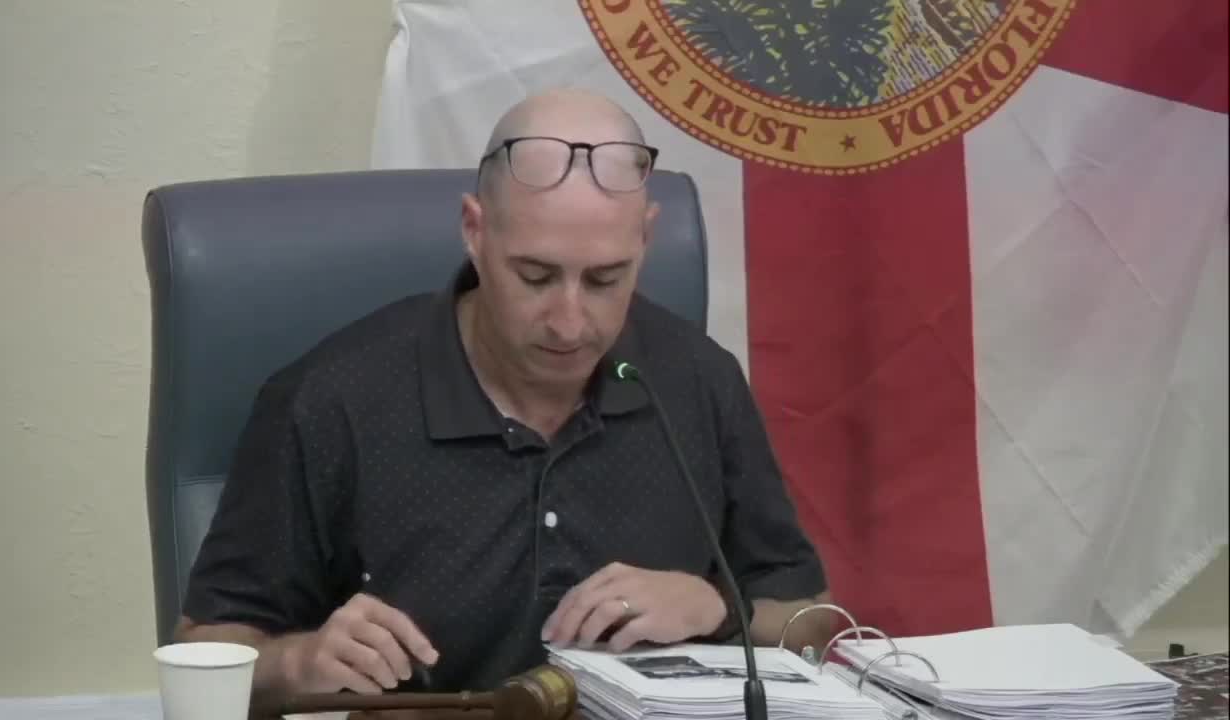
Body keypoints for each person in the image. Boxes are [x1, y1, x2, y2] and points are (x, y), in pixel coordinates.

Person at [176, 88, 833, 701]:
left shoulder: (698, 380)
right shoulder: (331, 399)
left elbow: (816, 622)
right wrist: (300, 663)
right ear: (475, 230)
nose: (570, 324)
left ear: (645, 240)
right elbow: (202, 652)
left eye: (605, 280)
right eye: (536, 276)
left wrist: (719, 607)